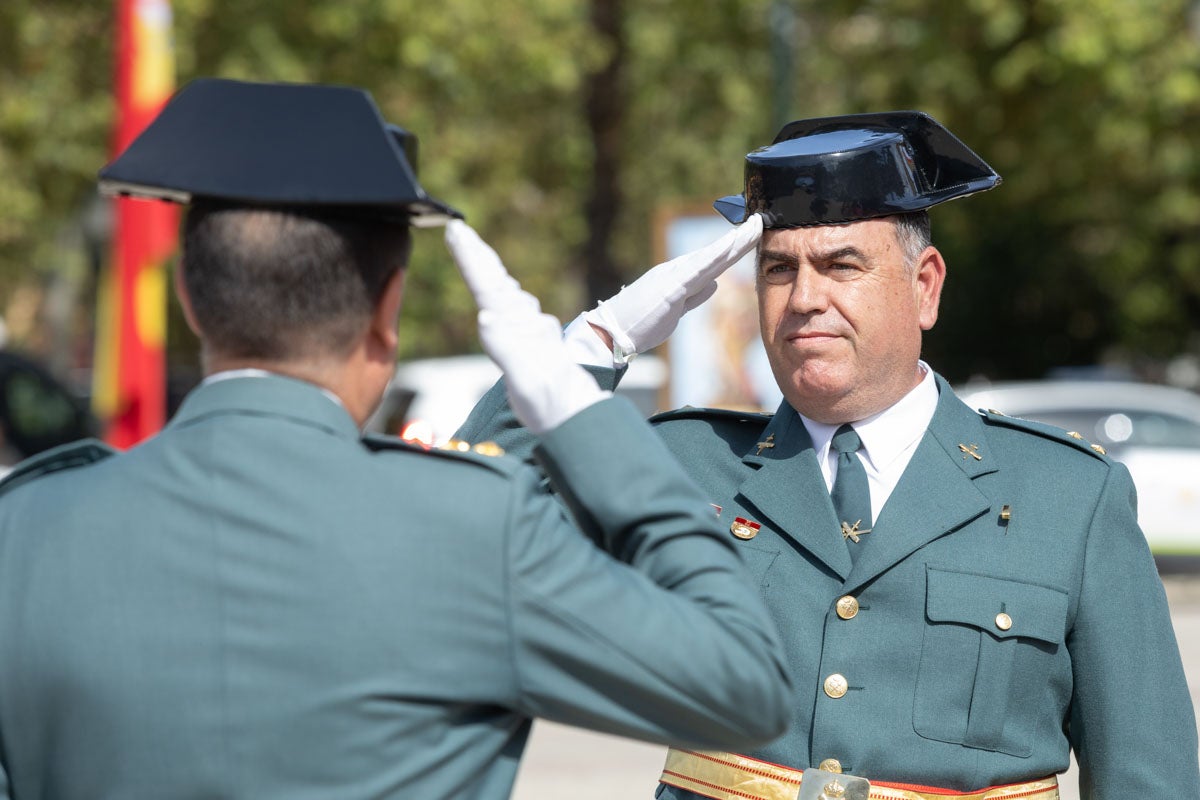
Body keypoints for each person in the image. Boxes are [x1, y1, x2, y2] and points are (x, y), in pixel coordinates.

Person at [0, 78, 794, 800]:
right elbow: (746, 683)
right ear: (388, 312)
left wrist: (594, 350)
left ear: (188, 297)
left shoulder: (24, 531)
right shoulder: (473, 531)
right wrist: (577, 409)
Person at [456, 111, 1200, 799]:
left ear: (925, 288)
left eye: (842, 266)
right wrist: (598, 342)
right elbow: (466, 537)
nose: (804, 297)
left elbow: (1148, 778)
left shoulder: (1067, 497)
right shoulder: (684, 461)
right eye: (779, 269)